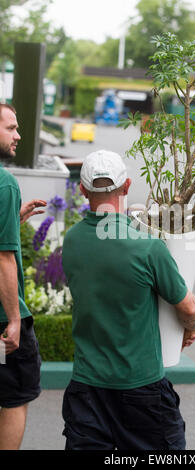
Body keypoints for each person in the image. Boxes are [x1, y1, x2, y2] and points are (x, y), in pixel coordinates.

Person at [61, 149, 195, 450]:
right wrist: (189, 329)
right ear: (126, 186)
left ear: (83, 190)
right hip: (142, 391)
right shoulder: (148, 248)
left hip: (86, 389)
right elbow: (188, 307)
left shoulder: (71, 241)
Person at [0, 103, 47, 450]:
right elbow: (2, 258)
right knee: (12, 397)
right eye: (11, 128)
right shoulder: (5, 184)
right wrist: (14, 320)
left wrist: (13, 221)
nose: (18, 135)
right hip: (2, 325)